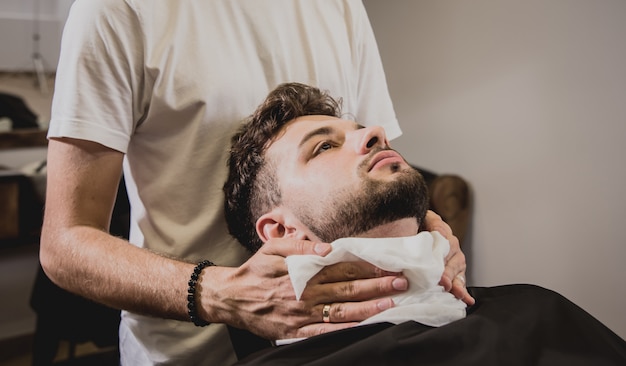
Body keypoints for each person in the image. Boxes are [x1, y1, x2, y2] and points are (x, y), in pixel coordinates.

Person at [40, 1, 472, 365]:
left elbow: (376, 164)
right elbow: (66, 241)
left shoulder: (339, 7)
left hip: (351, 339)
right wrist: (222, 294)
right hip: (191, 352)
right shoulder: (120, 11)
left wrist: (431, 232)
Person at [223, 83, 626, 365]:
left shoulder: (535, 309)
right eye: (324, 146)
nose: (376, 133)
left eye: (363, 131)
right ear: (281, 232)